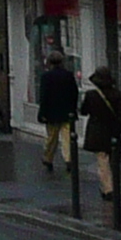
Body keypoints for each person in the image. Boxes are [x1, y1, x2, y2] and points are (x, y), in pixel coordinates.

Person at [83, 66, 121, 203]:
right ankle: (111, 186)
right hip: (113, 131)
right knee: (115, 161)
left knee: (102, 161)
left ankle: (108, 189)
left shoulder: (91, 95)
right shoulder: (118, 95)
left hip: (97, 132)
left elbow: (84, 111)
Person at [37, 49, 82, 177]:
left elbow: (43, 96)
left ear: (50, 62)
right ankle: (69, 160)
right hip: (67, 112)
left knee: (52, 138)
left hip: (51, 112)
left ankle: (48, 158)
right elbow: (74, 93)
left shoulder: (46, 77)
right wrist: (73, 108)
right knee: (67, 138)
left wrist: (42, 113)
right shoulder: (68, 75)